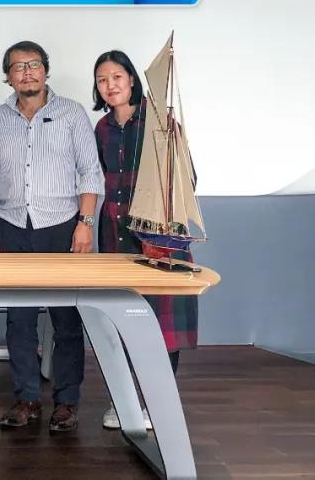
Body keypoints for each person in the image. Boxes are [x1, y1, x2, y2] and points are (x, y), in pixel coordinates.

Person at [0, 41, 103, 432]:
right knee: (19, 320)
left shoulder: (72, 113)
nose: (27, 72)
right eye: (18, 67)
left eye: (33, 65)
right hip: (12, 226)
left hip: (63, 226)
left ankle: (66, 402)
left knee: (67, 320)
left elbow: (90, 171)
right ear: (8, 76)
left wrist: (85, 223)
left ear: (46, 70)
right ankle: (27, 398)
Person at [92, 49, 197, 429]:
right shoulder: (102, 128)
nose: (110, 85)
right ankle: (125, 401)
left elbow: (188, 178)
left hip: (158, 235)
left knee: (161, 325)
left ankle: (158, 402)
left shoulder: (160, 122)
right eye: (102, 80)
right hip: (115, 233)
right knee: (121, 318)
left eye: (117, 77)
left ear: (132, 80)